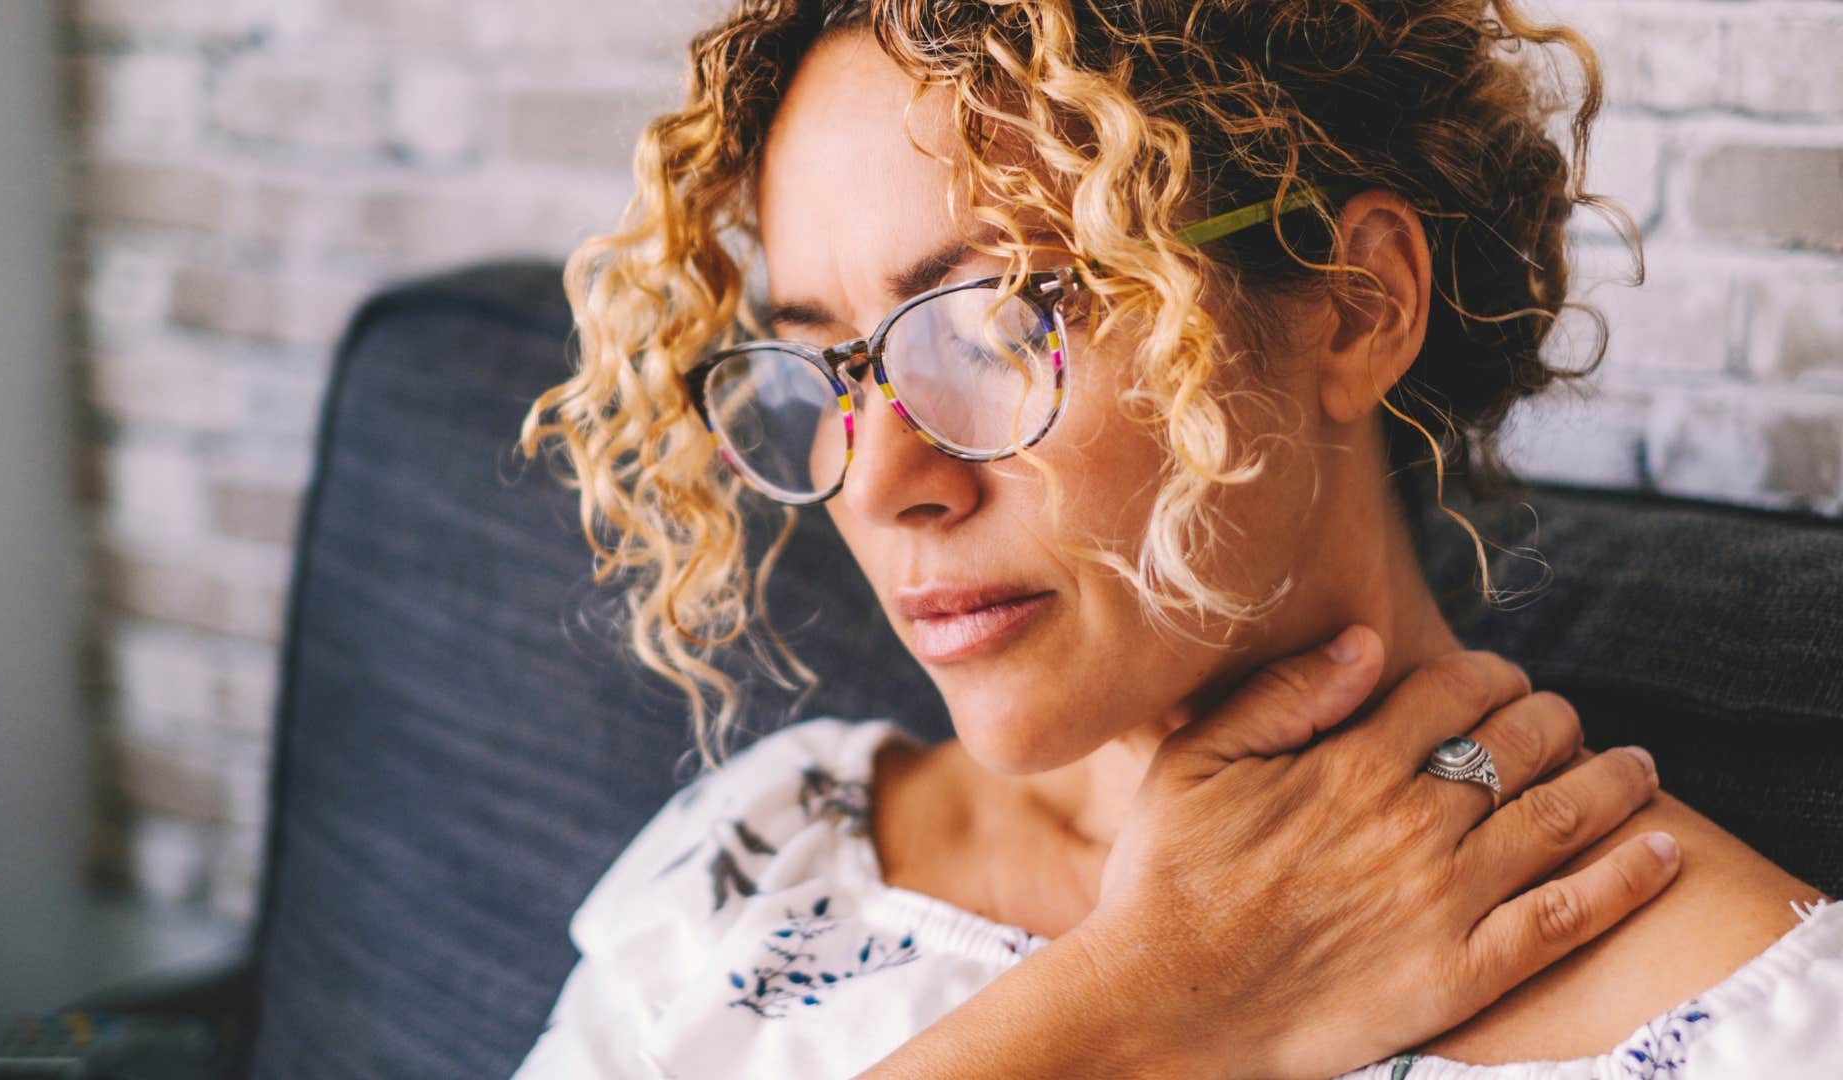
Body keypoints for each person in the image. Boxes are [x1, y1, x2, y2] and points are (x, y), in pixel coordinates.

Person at [511, 2, 1839, 1076]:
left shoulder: (1752, 1025)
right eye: (822, 368)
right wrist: (1143, 1001)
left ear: (1354, 304)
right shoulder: (767, 854)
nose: (879, 480)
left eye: (997, 324)